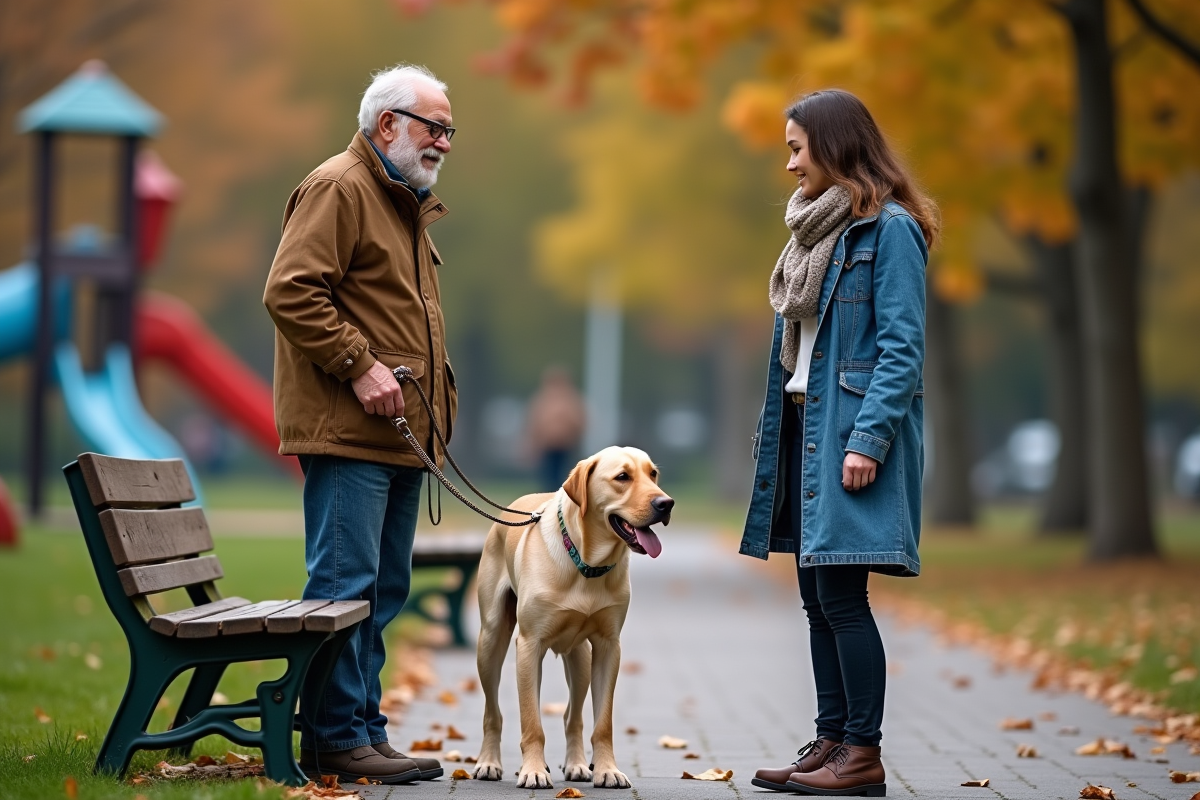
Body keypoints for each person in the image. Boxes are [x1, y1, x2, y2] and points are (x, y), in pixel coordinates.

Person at [263, 63, 459, 785]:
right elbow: (290, 290)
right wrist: (359, 365)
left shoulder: (403, 201)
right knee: (345, 587)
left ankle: (363, 729)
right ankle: (332, 737)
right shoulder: (340, 188)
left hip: (398, 434)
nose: (444, 142)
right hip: (348, 431)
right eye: (433, 127)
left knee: (382, 591)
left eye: (448, 130)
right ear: (387, 125)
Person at [743, 89, 937, 797]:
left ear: (834, 145)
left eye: (797, 147)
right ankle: (830, 740)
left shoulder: (889, 231)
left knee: (843, 598)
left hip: (850, 437)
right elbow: (805, 350)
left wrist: (870, 439)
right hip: (806, 430)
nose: (789, 163)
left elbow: (901, 348)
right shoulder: (815, 233)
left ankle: (862, 755)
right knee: (816, 598)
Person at [525, 365, 585, 491]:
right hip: (547, 446)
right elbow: (534, 424)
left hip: (565, 446)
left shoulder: (570, 400)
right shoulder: (542, 400)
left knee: (564, 475)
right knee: (547, 476)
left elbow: (580, 422)